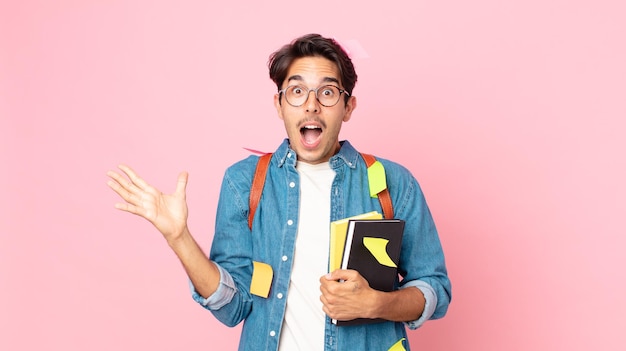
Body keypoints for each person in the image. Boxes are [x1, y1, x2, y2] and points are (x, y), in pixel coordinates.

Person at [107, 33, 451, 351]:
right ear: (279, 103)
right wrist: (179, 237)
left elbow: (435, 288)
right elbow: (233, 306)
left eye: (328, 92)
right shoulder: (244, 182)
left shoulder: (394, 182)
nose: (312, 105)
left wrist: (378, 303)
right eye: (297, 91)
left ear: (348, 107)